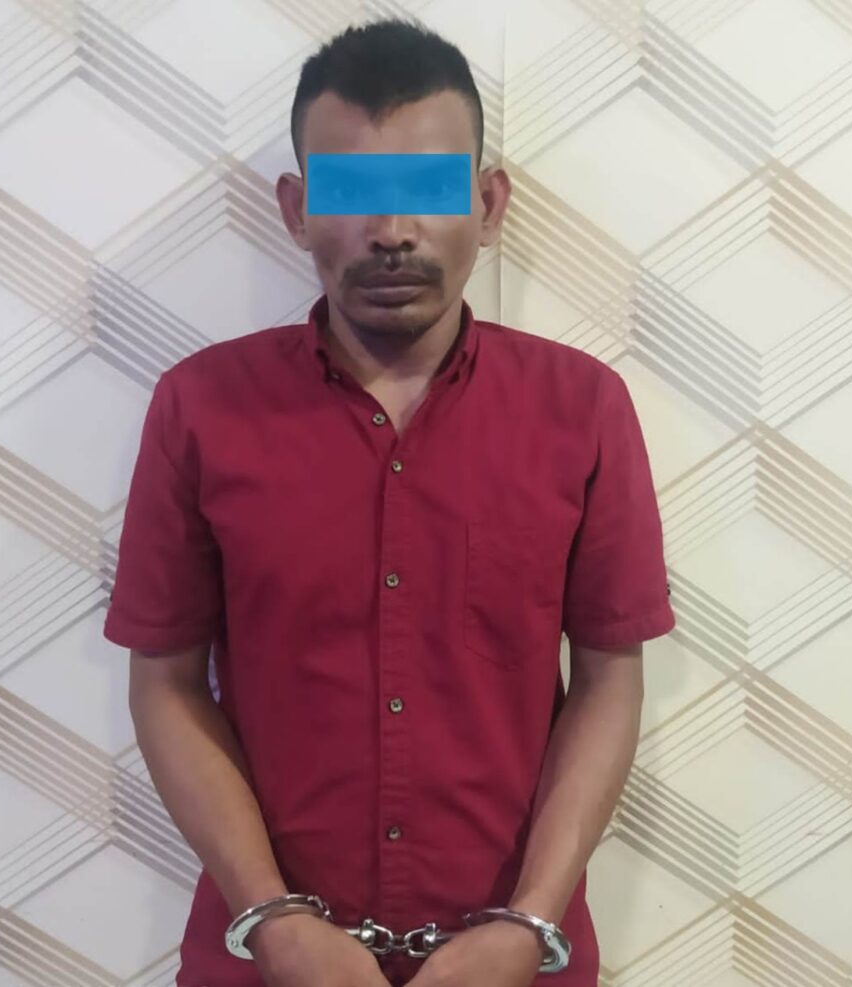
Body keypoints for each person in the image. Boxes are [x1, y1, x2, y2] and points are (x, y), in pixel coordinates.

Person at [104, 16, 675, 987]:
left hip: (515, 961)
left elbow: (608, 682)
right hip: (267, 963)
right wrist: (275, 921)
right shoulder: (200, 409)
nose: (392, 232)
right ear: (296, 207)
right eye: (351, 193)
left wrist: (527, 923)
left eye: (429, 191)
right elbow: (165, 683)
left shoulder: (581, 410)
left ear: (488, 203)